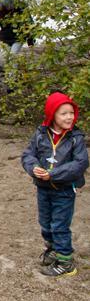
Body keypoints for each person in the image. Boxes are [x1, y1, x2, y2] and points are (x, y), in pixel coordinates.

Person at [21, 92, 88, 277]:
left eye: (71, 112)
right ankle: (52, 250)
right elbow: (28, 154)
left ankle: (66, 261)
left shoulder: (76, 137)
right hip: (43, 189)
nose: (69, 117)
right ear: (52, 115)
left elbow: (80, 164)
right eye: (64, 113)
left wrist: (52, 174)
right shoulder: (41, 133)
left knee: (59, 225)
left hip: (64, 190)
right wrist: (33, 167)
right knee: (45, 223)